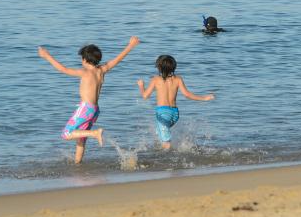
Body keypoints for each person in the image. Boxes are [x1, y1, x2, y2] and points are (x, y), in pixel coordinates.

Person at [37, 36, 140, 164]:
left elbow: (63, 69)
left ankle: (95, 133)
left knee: (66, 133)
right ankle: (77, 163)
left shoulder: (85, 73)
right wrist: (130, 46)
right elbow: (117, 59)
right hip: (95, 110)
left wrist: (47, 56)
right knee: (81, 138)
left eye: (81, 59)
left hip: (86, 108)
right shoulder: (102, 70)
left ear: (85, 60)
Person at [137, 54, 214, 150]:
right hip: (174, 114)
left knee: (166, 143)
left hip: (163, 114)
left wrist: (141, 85)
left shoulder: (155, 79)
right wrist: (204, 98)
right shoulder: (178, 79)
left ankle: (169, 158)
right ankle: (177, 147)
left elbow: (145, 96)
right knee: (160, 131)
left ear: (159, 68)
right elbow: (187, 94)